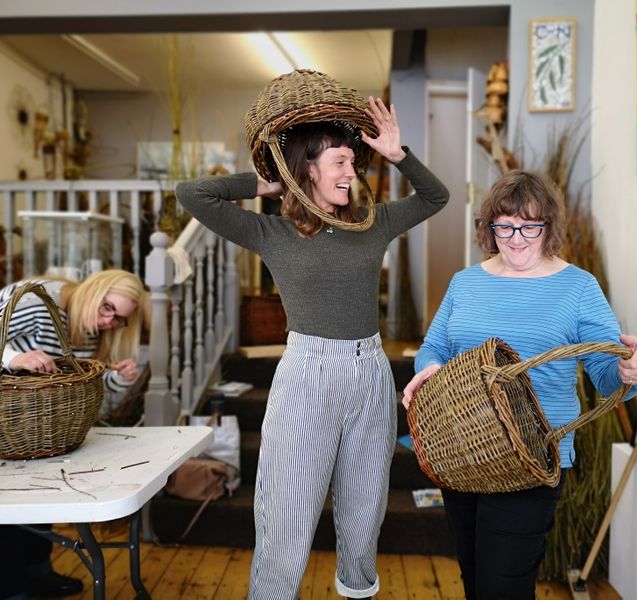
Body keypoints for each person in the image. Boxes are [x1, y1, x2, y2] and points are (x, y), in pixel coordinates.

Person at [176, 94, 449, 599]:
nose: (351, 171)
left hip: (369, 373)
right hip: (306, 374)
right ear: (309, 168)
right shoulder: (270, 232)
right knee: (287, 509)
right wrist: (265, 182)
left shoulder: (374, 224)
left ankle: (357, 590)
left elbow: (436, 198)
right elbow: (191, 193)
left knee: (365, 510)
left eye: (352, 161)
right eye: (340, 161)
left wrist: (398, 154)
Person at [402, 170, 637, 600]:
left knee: (504, 587)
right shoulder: (465, 282)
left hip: (532, 458)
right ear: (489, 227)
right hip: (463, 451)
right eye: (504, 226)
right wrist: (427, 369)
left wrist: (635, 370)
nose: (516, 238)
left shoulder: (578, 287)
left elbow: (606, 371)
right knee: (475, 576)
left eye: (529, 227)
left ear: (549, 228)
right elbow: (434, 347)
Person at [0, 269, 146, 600]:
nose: (109, 321)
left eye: (119, 318)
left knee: (41, 496)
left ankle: (37, 574)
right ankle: (11, 586)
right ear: (94, 289)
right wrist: (14, 358)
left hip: (35, 429)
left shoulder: (88, 329)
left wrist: (119, 380)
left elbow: (77, 387)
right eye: (108, 307)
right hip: (7, 423)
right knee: (9, 505)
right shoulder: (37, 304)